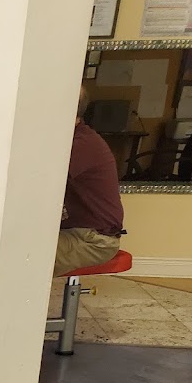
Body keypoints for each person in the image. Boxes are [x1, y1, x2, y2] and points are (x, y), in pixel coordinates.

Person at [55, 86, 124, 277]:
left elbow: (36, 182)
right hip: (76, 232)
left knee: (22, 255)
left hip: (95, 241)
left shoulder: (81, 144)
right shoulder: (67, 139)